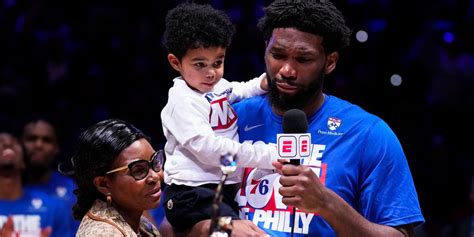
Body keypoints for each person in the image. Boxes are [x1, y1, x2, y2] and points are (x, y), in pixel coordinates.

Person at [229, 0, 425, 236]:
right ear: (265, 50)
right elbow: (175, 222)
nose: (287, 70)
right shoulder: (231, 119)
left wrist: (326, 203)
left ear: (330, 62)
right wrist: (223, 227)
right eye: (278, 55)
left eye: (303, 59)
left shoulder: (368, 133)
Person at [160, 3, 278, 234]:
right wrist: (266, 156)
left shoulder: (215, 85)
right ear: (176, 62)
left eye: (218, 62)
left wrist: (262, 83)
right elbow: (210, 149)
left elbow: (238, 89)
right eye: (200, 64)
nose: (211, 72)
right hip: (190, 195)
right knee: (234, 231)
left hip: (219, 191)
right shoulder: (181, 102)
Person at [70, 119, 162, 236]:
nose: (155, 176)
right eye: (138, 170)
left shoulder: (140, 222)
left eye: (155, 161)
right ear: (103, 184)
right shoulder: (102, 234)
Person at [0, 132, 72, 237]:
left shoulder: (54, 207)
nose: (8, 143)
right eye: (0, 141)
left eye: (14, 142)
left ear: (23, 163)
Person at [21, 118, 79, 233]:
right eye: (32, 139)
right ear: (20, 143)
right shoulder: (6, 189)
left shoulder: (72, 190)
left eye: (46, 140)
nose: (39, 145)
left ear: (56, 148)